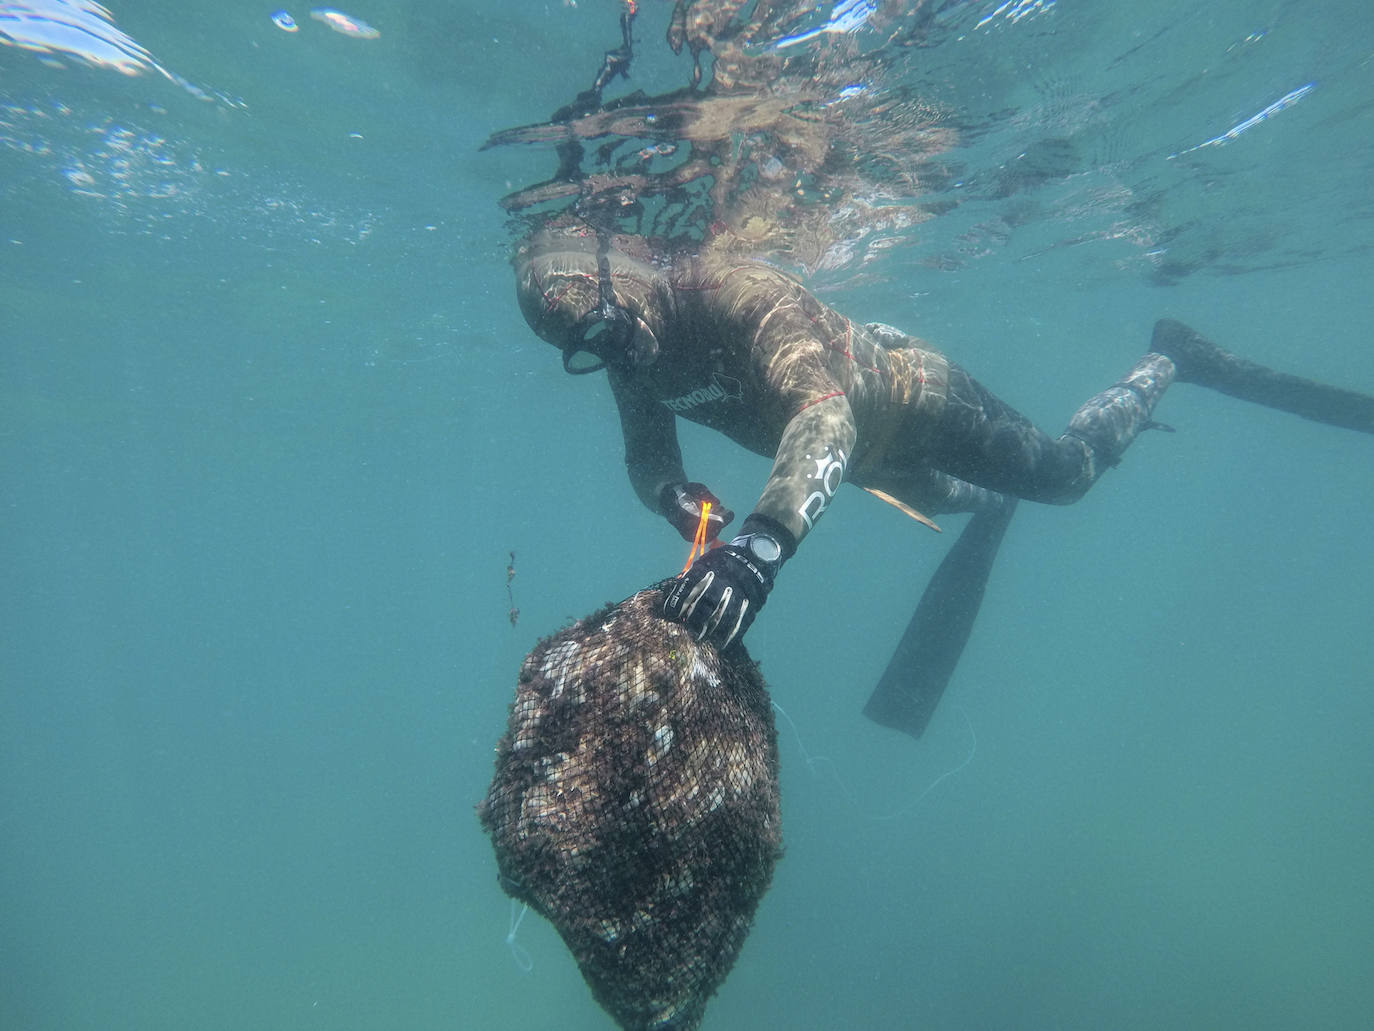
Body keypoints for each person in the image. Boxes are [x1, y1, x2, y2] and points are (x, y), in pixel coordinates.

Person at [514, 219, 1374, 736]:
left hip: (912, 402)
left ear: (617, 280)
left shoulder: (730, 291)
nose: (618, 353)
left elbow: (824, 416)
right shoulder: (630, 351)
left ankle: (1168, 357)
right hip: (857, 466)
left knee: (1068, 474)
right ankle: (985, 505)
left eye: (608, 328)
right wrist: (675, 497)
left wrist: (760, 546)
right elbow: (648, 458)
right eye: (585, 351)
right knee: (960, 499)